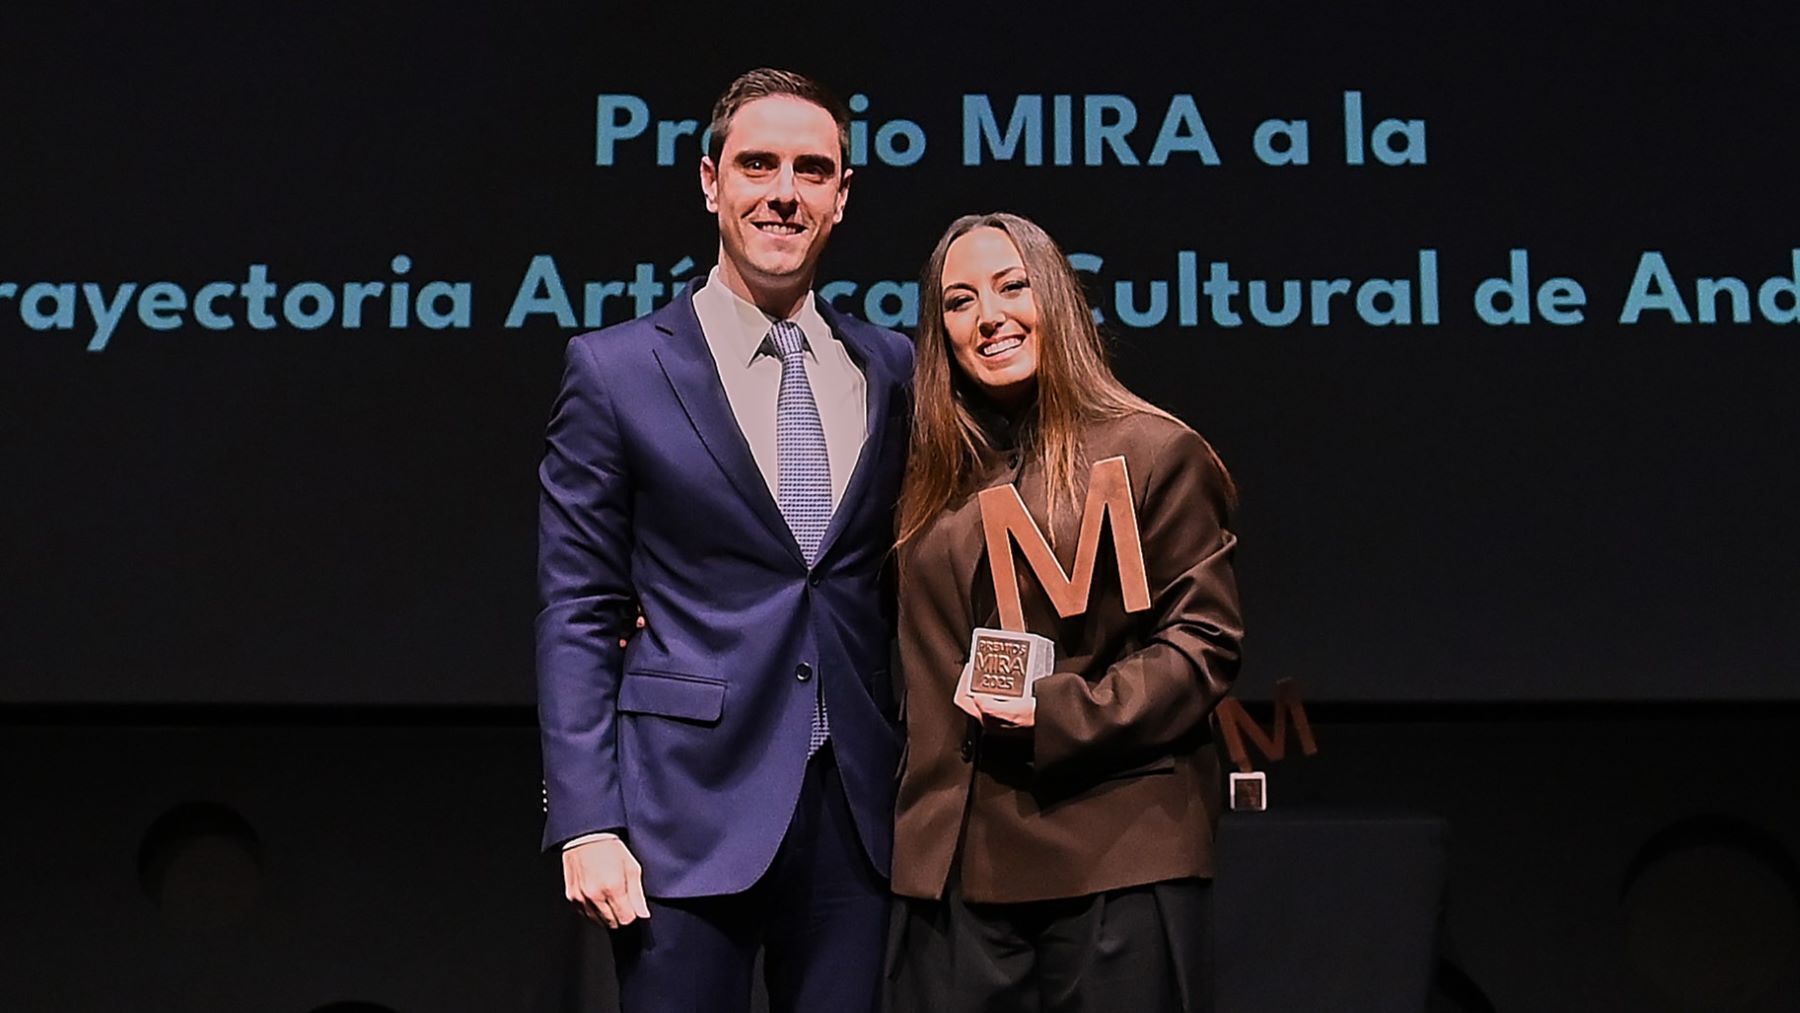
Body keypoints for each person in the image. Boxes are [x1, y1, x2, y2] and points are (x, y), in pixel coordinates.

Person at [536, 67, 912, 1013]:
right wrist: (587, 819)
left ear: (841, 195)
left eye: (811, 170)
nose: (783, 192)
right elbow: (578, 607)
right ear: (711, 182)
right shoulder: (617, 369)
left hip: (853, 814)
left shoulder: (893, 367)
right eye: (756, 164)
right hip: (681, 810)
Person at [888, 212, 1243, 1012]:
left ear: (1058, 297)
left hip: (1113, 853)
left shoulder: (1154, 449)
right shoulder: (927, 478)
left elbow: (1203, 646)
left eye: (1013, 286)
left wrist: (1054, 711)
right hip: (952, 864)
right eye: (958, 301)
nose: (988, 317)